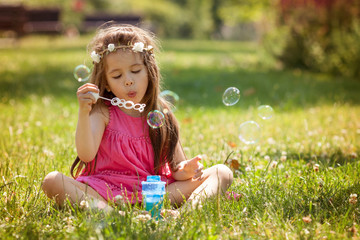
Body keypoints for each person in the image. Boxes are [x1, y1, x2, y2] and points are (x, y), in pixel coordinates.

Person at [42, 24, 233, 211]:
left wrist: (187, 170)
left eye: (135, 71)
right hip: (106, 192)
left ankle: (181, 214)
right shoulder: (102, 112)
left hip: (155, 193)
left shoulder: (161, 113)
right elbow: (86, 155)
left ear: (149, 71)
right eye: (117, 76)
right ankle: (111, 214)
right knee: (52, 181)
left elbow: (176, 169)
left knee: (221, 172)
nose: (128, 80)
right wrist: (83, 113)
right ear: (106, 84)